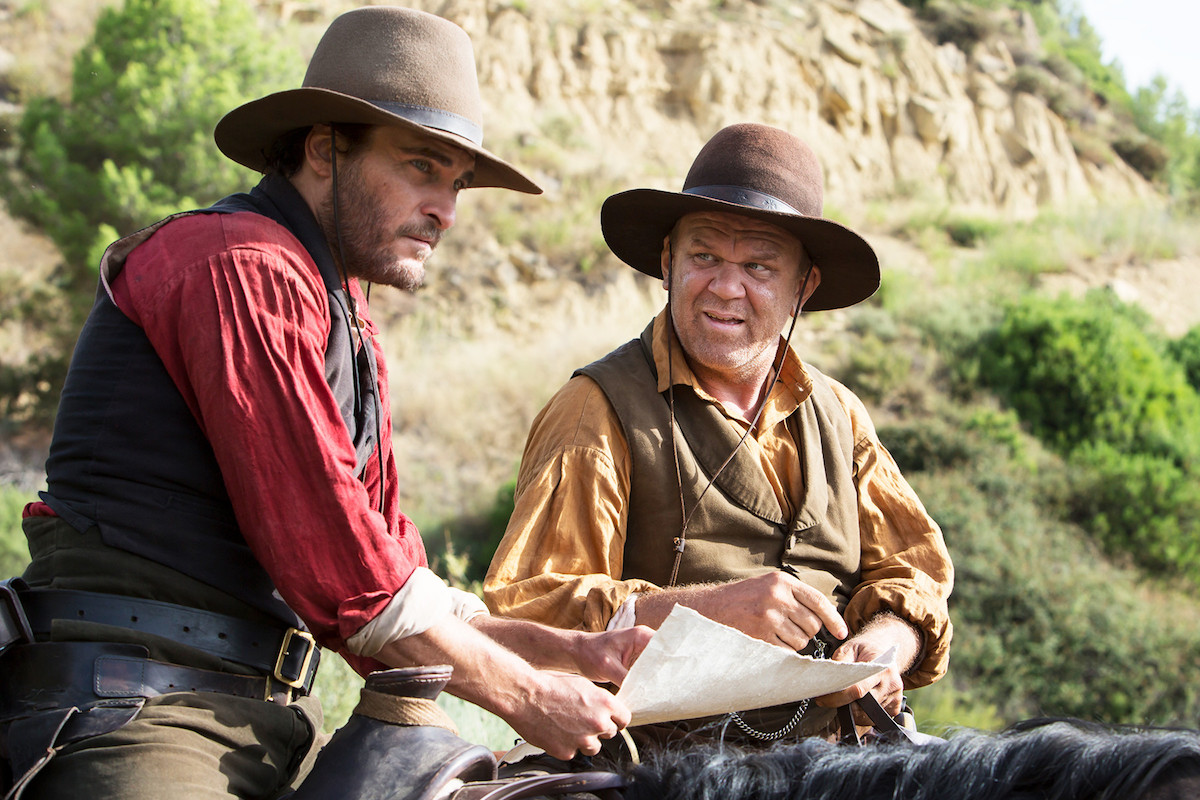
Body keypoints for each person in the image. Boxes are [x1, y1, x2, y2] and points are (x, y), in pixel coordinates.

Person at [0, 7, 651, 798]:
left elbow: (392, 566)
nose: (445, 209)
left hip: (253, 712)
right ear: (322, 150)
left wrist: (554, 652)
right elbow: (346, 574)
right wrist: (523, 694)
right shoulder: (240, 266)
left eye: (457, 183)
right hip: (137, 705)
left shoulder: (337, 307)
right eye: (420, 168)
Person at [484, 123, 954, 750]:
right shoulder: (595, 409)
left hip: (838, 763)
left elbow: (916, 572)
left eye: (759, 266)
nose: (726, 287)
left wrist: (890, 643)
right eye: (705, 257)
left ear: (803, 288)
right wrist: (708, 611)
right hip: (655, 768)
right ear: (667, 263)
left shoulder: (840, 415)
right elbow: (528, 610)